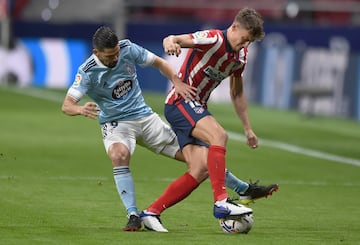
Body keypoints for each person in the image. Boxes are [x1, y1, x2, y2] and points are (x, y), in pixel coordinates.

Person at [61, 26, 277, 232]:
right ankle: (133, 214)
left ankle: (242, 188)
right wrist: (79, 110)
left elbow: (159, 63)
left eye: (116, 53)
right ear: (96, 52)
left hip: (146, 118)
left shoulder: (127, 49)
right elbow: (67, 105)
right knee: (119, 154)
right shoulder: (87, 72)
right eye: (109, 56)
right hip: (117, 125)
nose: (115, 58)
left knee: (199, 161)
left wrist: (177, 82)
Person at [141, 7, 278, 232]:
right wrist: (171, 42)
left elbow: (236, 93)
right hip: (179, 103)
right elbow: (174, 38)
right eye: (244, 39)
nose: (245, 45)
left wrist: (248, 129)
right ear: (234, 28)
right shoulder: (212, 38)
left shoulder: (240, 57)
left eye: (250, 42)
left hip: (195, 108)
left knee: (200, 169)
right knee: (219, 135)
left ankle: (151, 212)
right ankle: (221, 202)